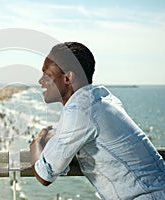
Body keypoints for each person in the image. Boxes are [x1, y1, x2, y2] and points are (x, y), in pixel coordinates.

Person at [30, 42, 165, 199]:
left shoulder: (81, 111)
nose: (41, 81)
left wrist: (35, 145)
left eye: (48, 75)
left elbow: (45, 175)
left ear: (68, 78)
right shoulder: (99, 99)